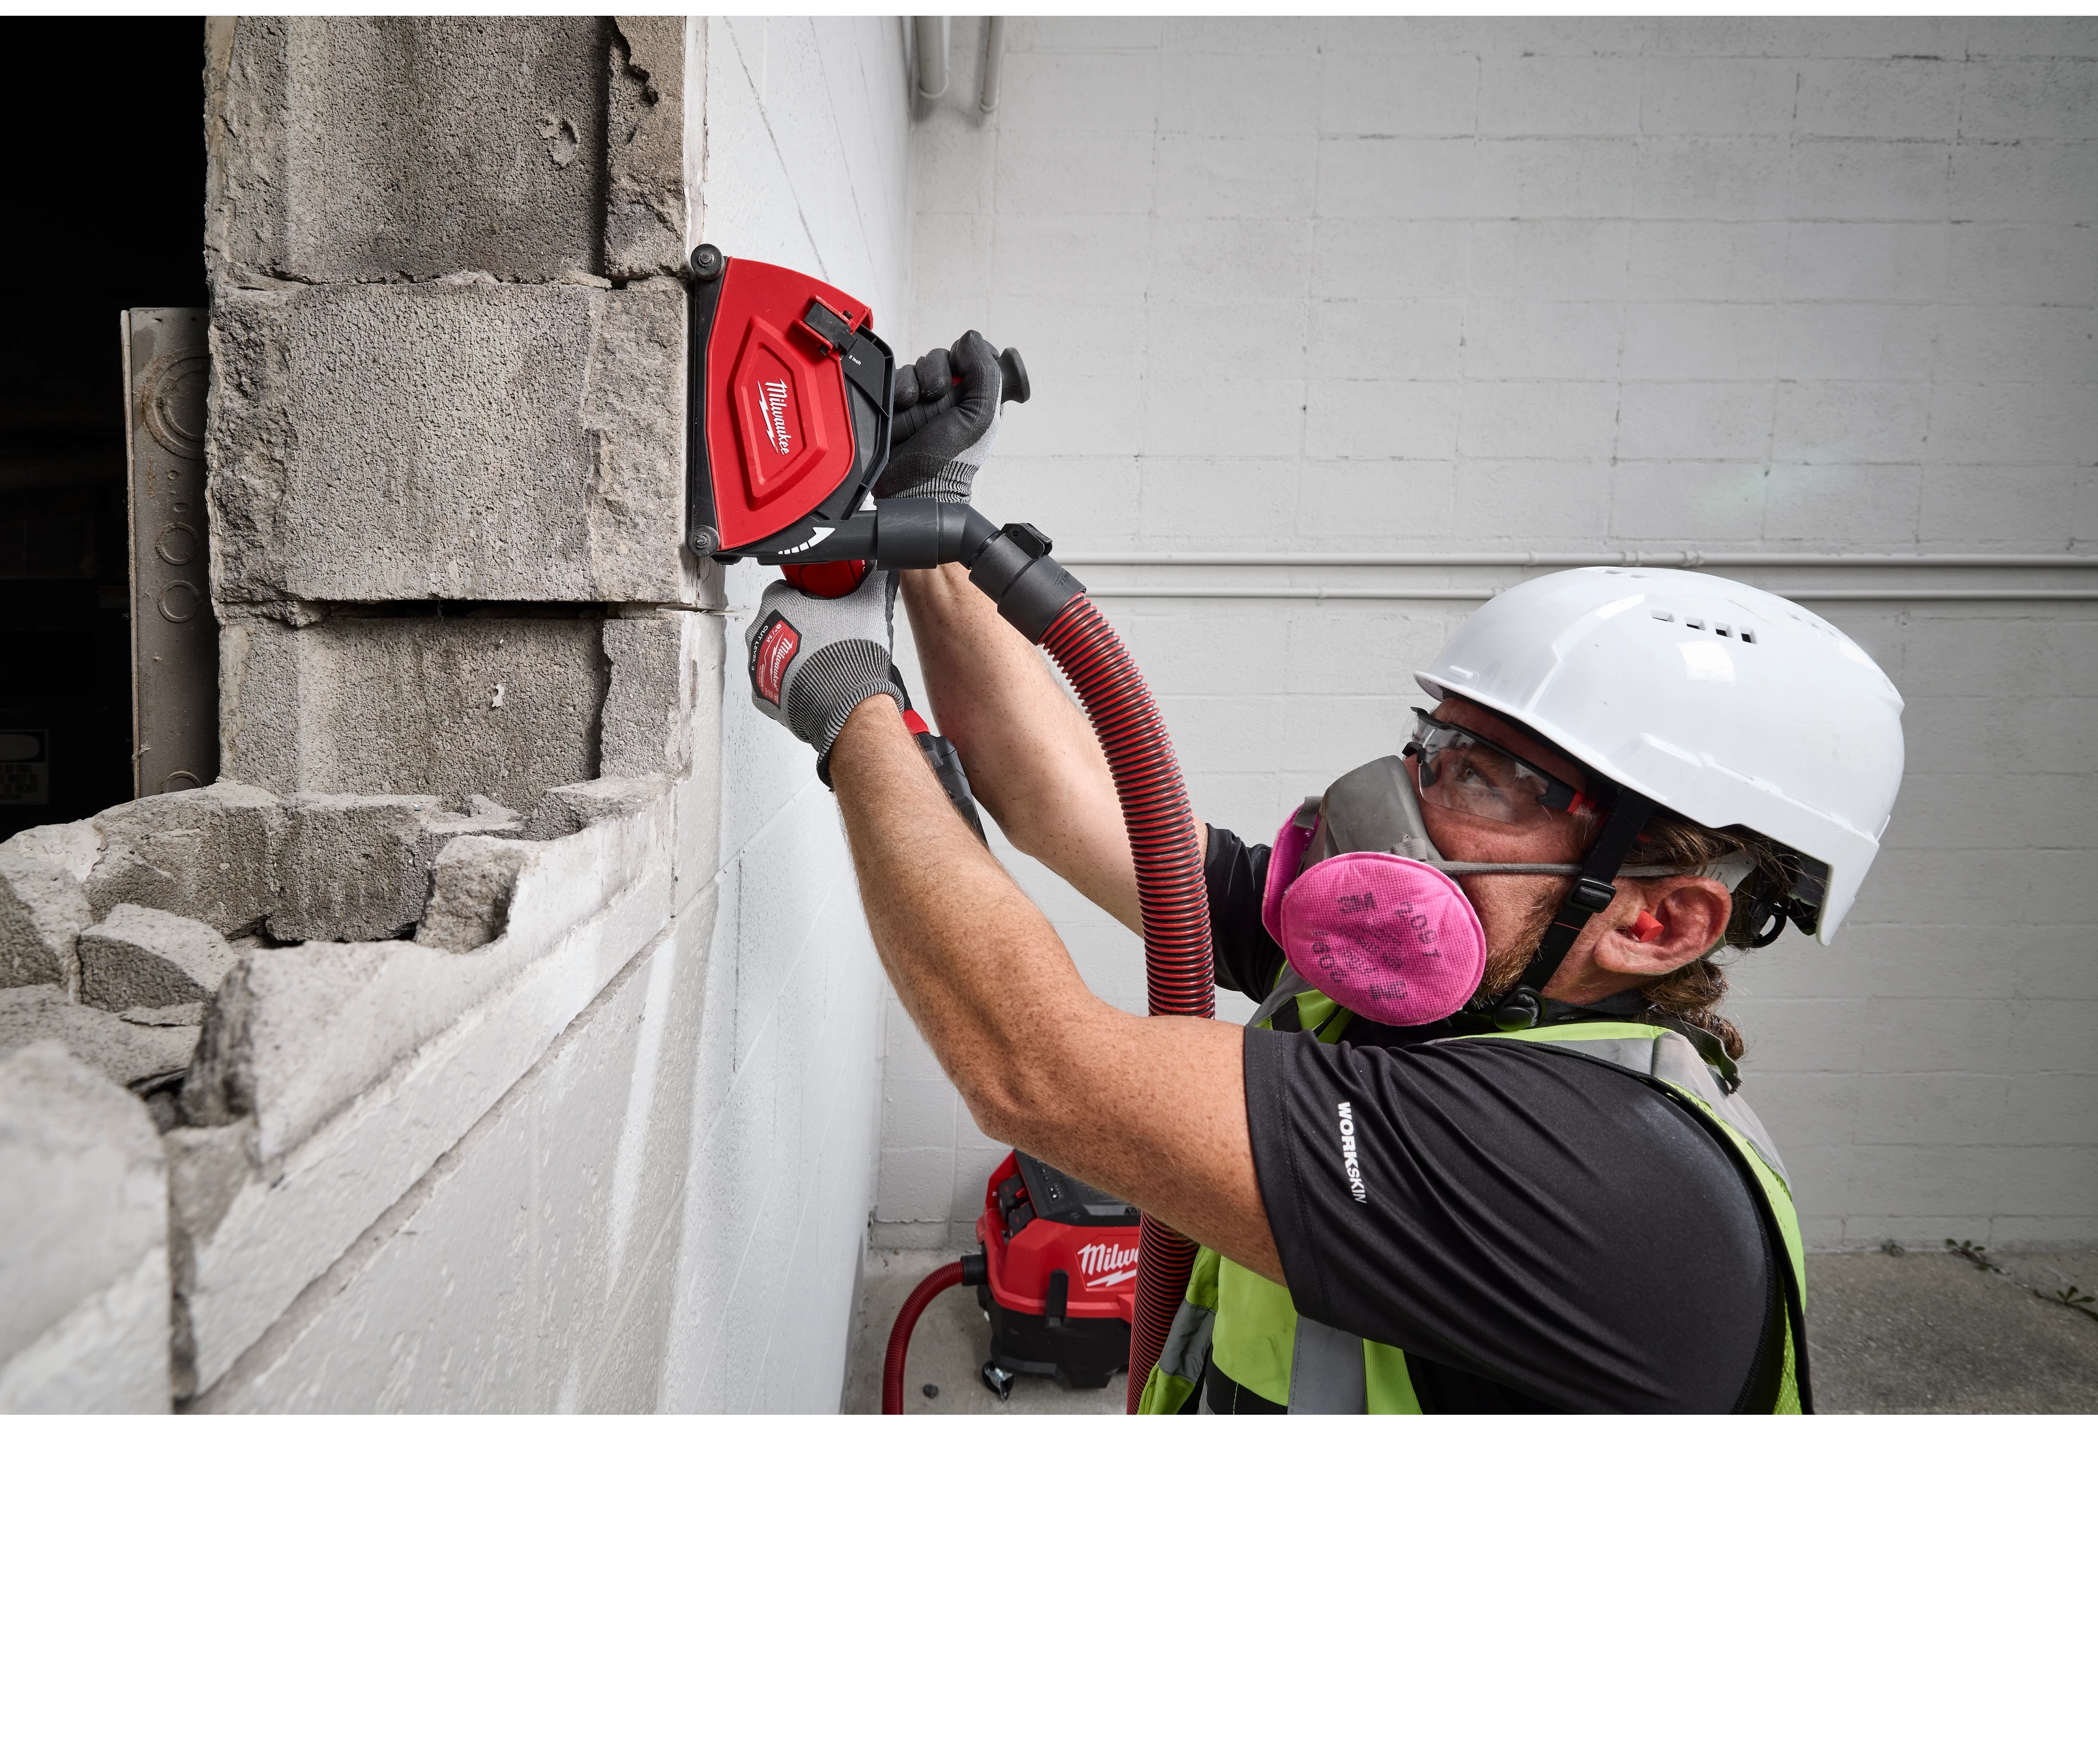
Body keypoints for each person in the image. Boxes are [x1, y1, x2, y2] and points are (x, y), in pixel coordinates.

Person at [743, 334, 1906, 1415]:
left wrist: (851, 705)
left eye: (1490, 780)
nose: (1391, 796)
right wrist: (936, 530)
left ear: (1657, 922)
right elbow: (1066, 807)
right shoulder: (1427, 993)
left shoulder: (1594, 1183)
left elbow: (1034, 1066)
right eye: (1432, 746)